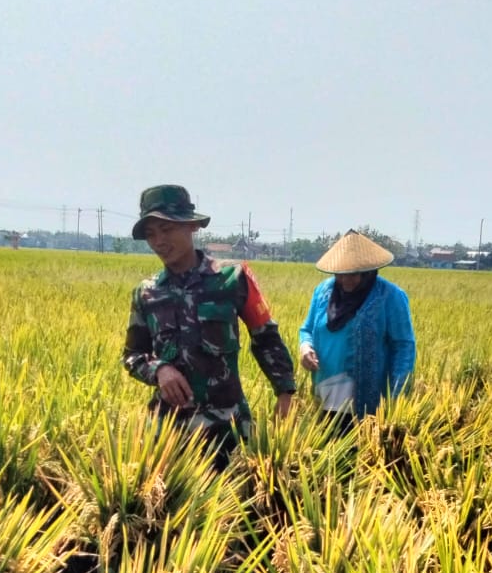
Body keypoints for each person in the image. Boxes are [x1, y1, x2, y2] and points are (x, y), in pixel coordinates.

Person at [121, 185, 297, 468]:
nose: (158, 241)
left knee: (236, 508)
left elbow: (265, 336)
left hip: (227, 429)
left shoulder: (232, 278)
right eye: (151, 234)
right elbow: (132, 356)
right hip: (167, 434)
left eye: (166, 229)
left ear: (191, 226)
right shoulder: (147, 293)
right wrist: (159, 370)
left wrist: (285, 392)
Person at [297, 230, 416, 425]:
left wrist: (397, 395)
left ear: (367, 271)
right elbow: (307, 329)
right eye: (341, 275)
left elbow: (403, 346)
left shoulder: (390, 296)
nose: (346, 280)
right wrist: (305, 347)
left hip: (366, 400)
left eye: (354, 275)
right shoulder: (323, 292)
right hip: (326, 393)